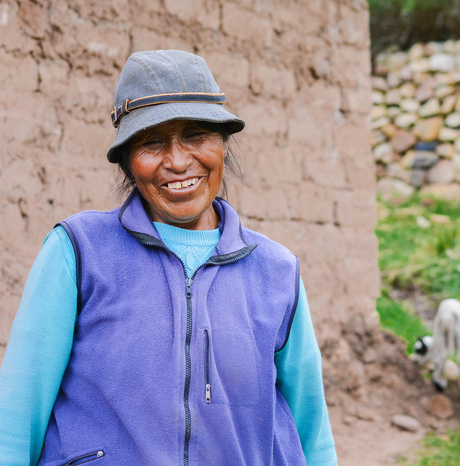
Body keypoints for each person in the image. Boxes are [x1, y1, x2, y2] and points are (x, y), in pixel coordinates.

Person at [0, 50, 337, 465]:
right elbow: (16, 418)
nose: (177, 161)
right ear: (127, 160)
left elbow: (312, 430)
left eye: (196, 136)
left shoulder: (276, 271)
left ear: (223, 144)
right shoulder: (79, 251)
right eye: (152, 142)